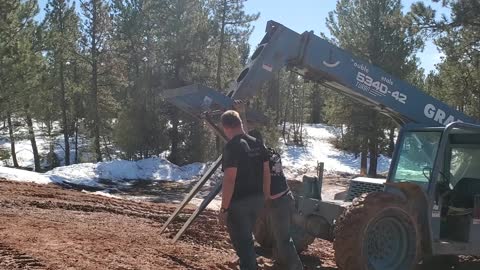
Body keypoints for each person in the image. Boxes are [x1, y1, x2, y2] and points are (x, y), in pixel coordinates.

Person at [218, 110, 271, 270]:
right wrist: (265, 197)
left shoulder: (232, 147)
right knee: (248, 238)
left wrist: (224, 208)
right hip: (257, 199)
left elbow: (229, 179)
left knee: (242, 244)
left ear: (226, 128)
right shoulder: (257, 143)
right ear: (240, 123)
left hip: (239, 203)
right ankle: (249, 264)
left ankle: (249, 266)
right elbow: (266, 172)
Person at [249, 129, 303, 270]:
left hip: (279, 202)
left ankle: (296, 267)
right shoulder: (271, 152)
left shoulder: (261, 157)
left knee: (283, 239)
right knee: (278, 236)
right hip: (283, 198)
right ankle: (279, 264)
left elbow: (265, 180)